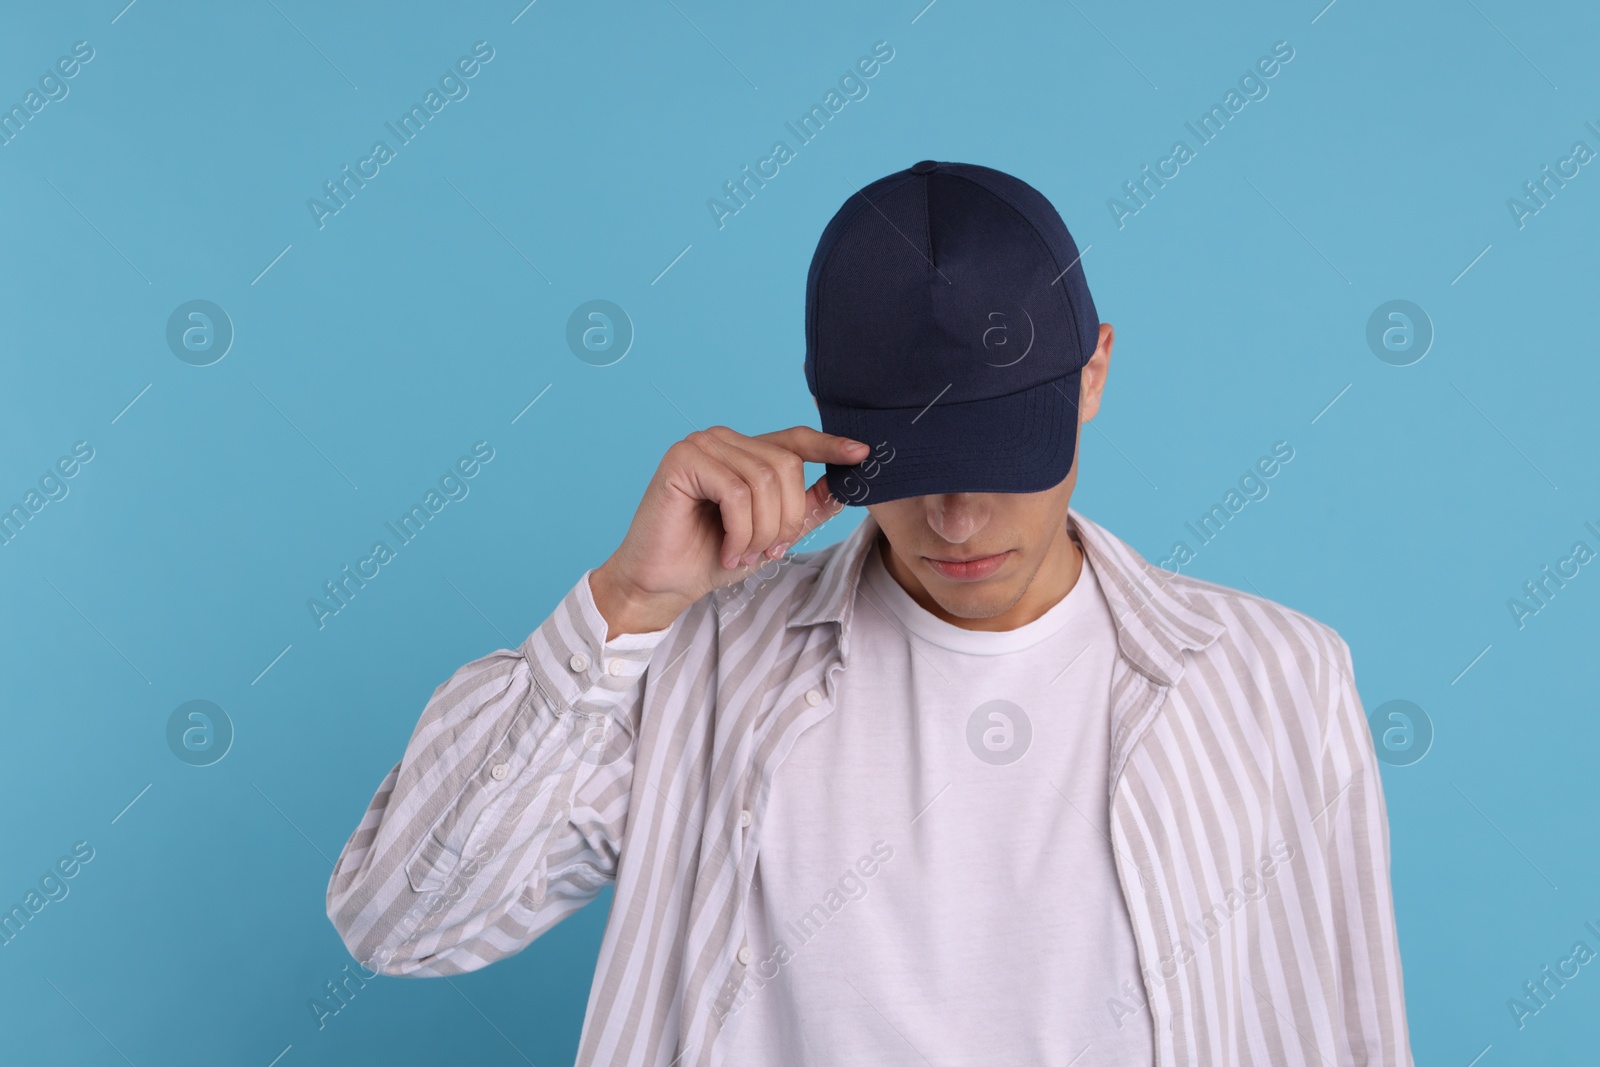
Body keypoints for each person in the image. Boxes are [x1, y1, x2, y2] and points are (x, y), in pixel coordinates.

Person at [326, 160, 1412, 1066]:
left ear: (1094, 373)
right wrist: (629, 601)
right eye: (913, 462)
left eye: (999, 454)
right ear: (829, 424)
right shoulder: (694, 658)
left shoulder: (1278, 679)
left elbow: (1338, 1032)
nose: (957, 513)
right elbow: (401, 921)